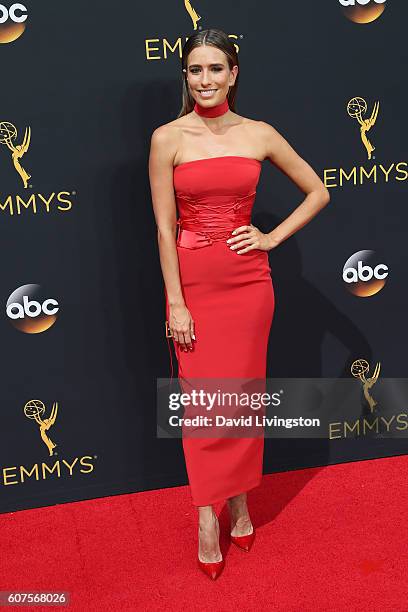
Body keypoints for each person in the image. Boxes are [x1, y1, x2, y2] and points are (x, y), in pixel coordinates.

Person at [149, 28, 330, 580]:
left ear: (233, 74)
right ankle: (209, 514)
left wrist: (272, 238)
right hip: (196, 286)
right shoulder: (168, 138)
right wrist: (175, 303)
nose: (204, 80)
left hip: (250, 287)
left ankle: (241, 499)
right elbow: (163, 226)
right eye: (194, 70)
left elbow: (318, 190)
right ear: (185, 76)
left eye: (214, 69)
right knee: (205, 402)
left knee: (244, 400)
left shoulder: (259, 134)